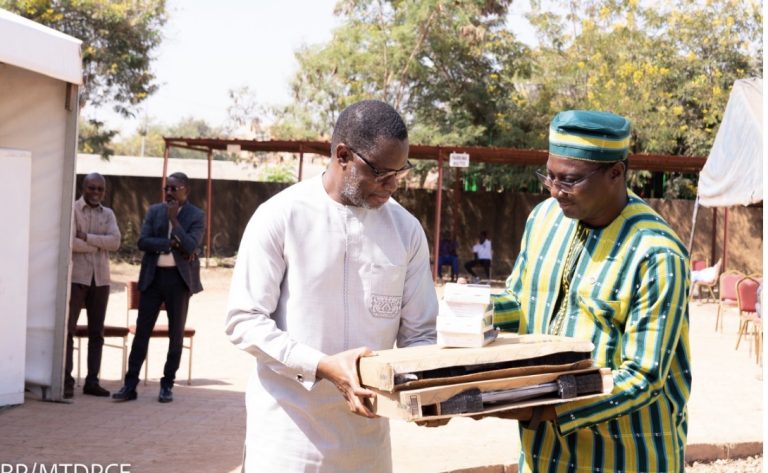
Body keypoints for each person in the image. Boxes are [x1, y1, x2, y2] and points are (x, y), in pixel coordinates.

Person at [225, 99, 438, 472]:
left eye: (399, 173)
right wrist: (322, 366)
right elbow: (244, 321)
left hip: (367, 448)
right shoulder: (281, 216)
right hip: (287, 442)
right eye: (381, 173)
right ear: (343, 156)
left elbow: (420, 335)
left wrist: (426, 391)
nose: (391, 186)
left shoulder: (406, 230)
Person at [492, 110, 691, 472]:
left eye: (569, 180)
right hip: (543, 456)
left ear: (616, 172)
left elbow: (643, 377)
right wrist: (475, 313)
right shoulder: (544, 219)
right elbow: (521, 302)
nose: (555, 190)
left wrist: (542, 408)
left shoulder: (655, 254)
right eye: (549, 176)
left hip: (623, 458)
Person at [112, 172, 204, 403]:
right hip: (153, 279)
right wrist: (170, 244)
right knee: (142, 333)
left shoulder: (196, 215)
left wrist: (175, 221)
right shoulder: (154, 211)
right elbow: (143, 242)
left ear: (186, 191)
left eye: (174, 189)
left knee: (176, 335)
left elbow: (192, 245)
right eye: (167, 189)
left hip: (178, 281)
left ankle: (167, 385)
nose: (169, 193)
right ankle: (130, 385)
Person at [64, 173, 121, 399]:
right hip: (77, 278)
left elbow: (115, 242)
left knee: (97, 332)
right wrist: (98, 244)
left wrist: (87, 237)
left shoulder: (108, 214)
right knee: (68, 330)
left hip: (101, 279)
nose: (96, 192)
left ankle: (92, 381)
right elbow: (70, 242)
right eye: (92, 188)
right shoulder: (73, 210)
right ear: (83, 188)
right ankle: (66, 381)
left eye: (100, 189)